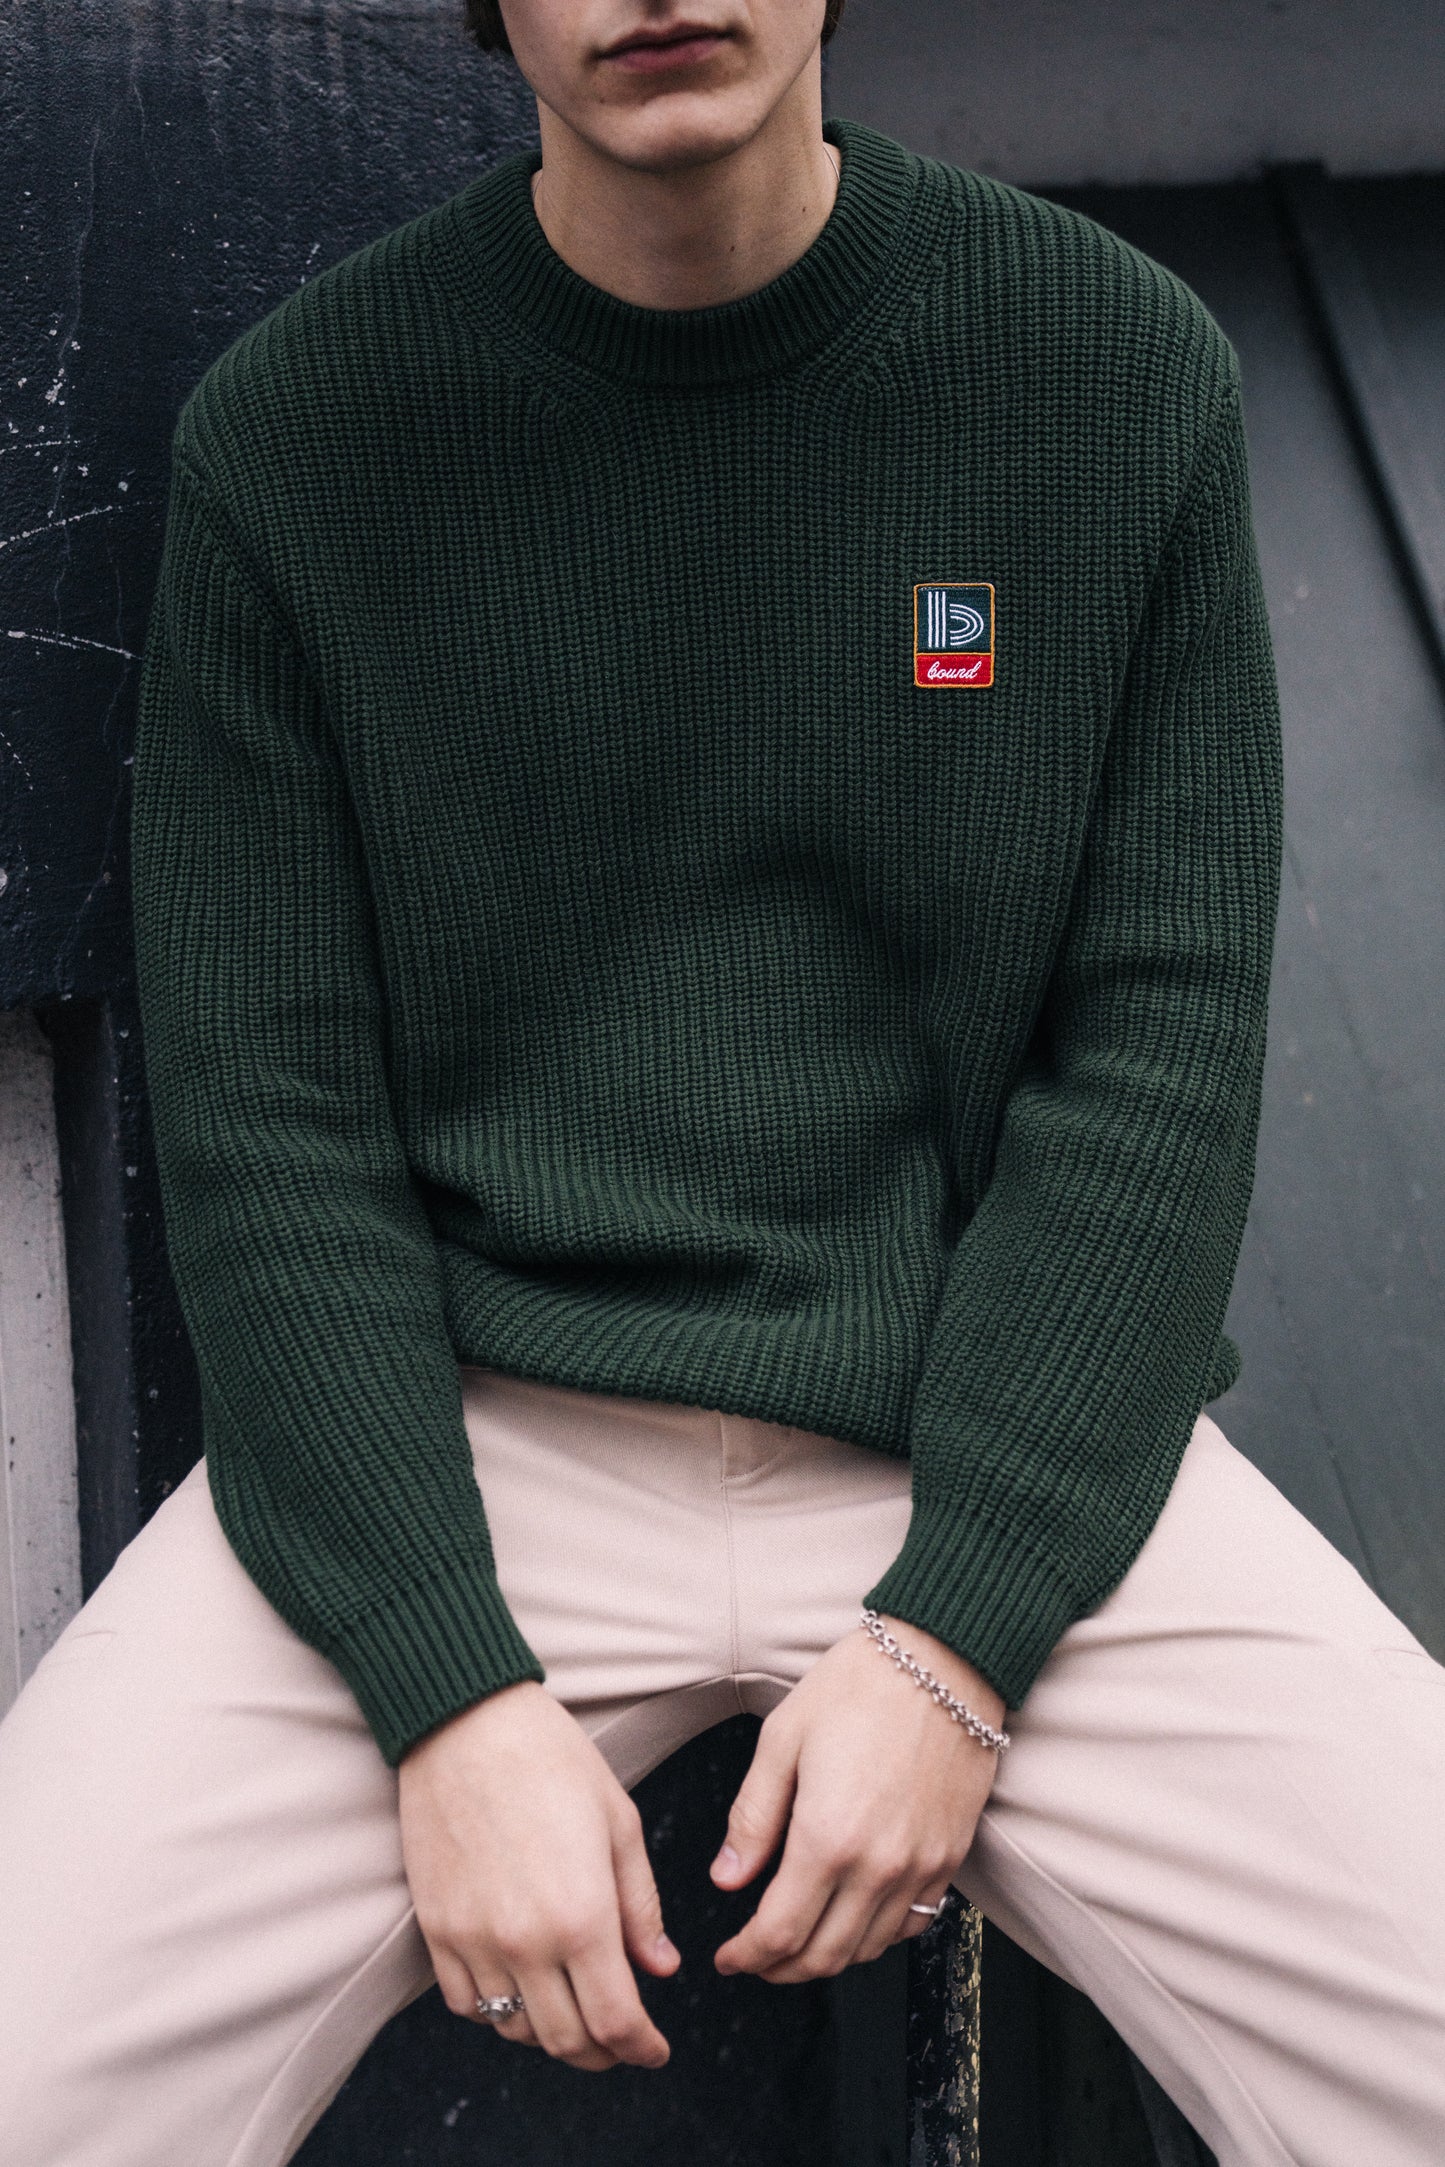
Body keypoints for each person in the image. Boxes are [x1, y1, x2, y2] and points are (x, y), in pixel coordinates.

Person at [2, 3, 1443, 2162]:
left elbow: (1151, 1054)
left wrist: (957, 1643)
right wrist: (442, 1687)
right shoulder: (307, 434)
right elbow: (271, 1129)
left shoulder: (1104, 368)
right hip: (473, 1436)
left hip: (979, 1424)